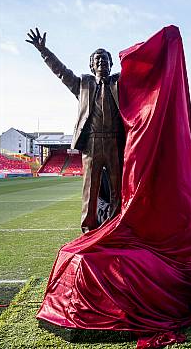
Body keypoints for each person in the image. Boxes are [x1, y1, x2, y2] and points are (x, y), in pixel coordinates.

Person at [26, 28, 125, 233]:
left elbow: (143, 74)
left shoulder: (120, 83)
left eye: (105, 59)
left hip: (115, 142)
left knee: (118, 189)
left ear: (111, 63)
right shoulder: (83, 85)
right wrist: (44, 51)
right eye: (97, 59)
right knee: (90, 188)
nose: (101, 62)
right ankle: (88, 228)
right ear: (91, 65)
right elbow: (61, 71)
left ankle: (115, 226)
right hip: (91, 143)